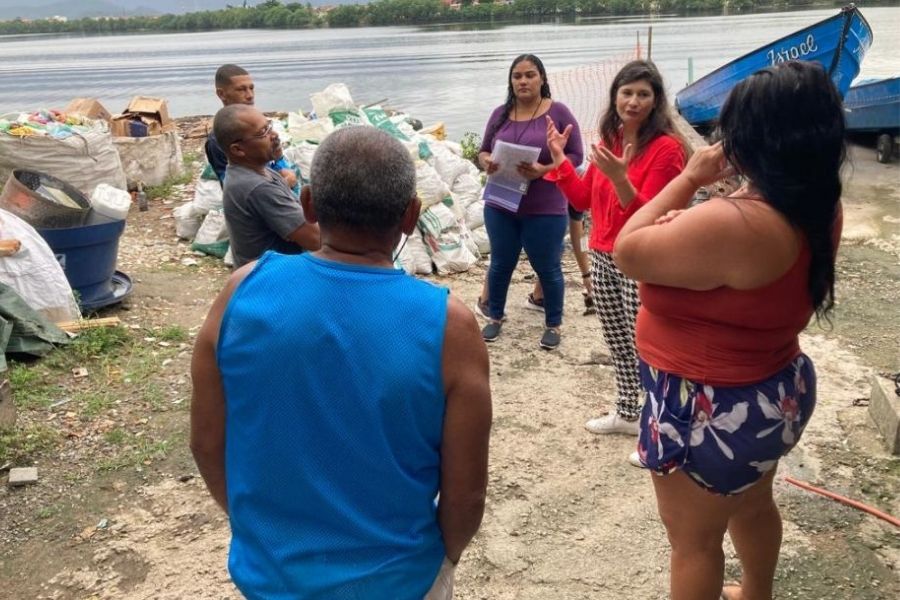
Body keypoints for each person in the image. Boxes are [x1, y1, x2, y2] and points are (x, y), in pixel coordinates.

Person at [190, 126, 492, 599]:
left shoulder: (242, 292)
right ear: (412, 216)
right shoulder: (449, 327)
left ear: (308, 204)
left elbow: (208, 443)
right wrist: (439, 564)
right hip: (399, 581)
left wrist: (264, 535)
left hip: (271, 577)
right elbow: (465, 494)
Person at [613, 61, 845, 600]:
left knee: (693, 543)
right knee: (754, 502)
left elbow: (628, 250)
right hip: (770, 390)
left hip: (710, 406)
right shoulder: (816, 201)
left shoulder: (739, 222)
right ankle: (756, 591)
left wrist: (691, 179)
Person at [545, 60, 685, 439]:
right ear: (615, 98)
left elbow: (656, 217)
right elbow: (582, 198)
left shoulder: (667, 150)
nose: (634, 101)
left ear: (656, 101)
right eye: (627, 93)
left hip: (642, 259)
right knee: (618, 340)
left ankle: (663, 427)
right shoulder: (610, 141)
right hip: (604, 254)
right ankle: (628, 412)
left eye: (643, 94)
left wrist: (623, 180)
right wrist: (559, 159)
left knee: (651, 346)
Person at [478, 53, 583, 350]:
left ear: (542, 78)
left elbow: (576, 156)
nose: (523, 81)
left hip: (545, 206)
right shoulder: (500, 113)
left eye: (529, 75)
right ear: (511, 81)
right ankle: (495, 317)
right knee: (500, 263)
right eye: (517, 76)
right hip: (500, 203)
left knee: (548, 267)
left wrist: (545, 170)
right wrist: (487, 161)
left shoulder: (558, 112)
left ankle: (553, 324)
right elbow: (483, 150)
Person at [212, 104, 320, 268]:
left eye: (269, 127)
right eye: (263, 133)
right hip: (270, 280)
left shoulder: (253, 173)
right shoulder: (257, 187)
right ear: (238, 149)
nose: (274, 135)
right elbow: (317, 239)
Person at [206, 63, 299, 194]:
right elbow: (236, 188)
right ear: (222, 94)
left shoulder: (257, 125)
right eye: (241, 89)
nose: (250, 95)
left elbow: (275, 160)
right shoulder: (220, 139)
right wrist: (283, 184)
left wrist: (283, 168)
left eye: (251, 88)